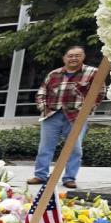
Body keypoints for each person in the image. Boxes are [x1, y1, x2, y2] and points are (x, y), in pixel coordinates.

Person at [28, 45, 106, 189]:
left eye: (77, 55)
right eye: (70, 56)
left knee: (75, 149)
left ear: (83, 57)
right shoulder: (54, 74)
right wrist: (43, 107)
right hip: (52, 115)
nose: (73, 58)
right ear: (64, 58)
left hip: (76, 116)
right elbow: (41, 92)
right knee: (45, 148)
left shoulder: (92, 72)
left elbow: (99, 93)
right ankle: (40, 175)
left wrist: (87, 111)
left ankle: (69, 178)